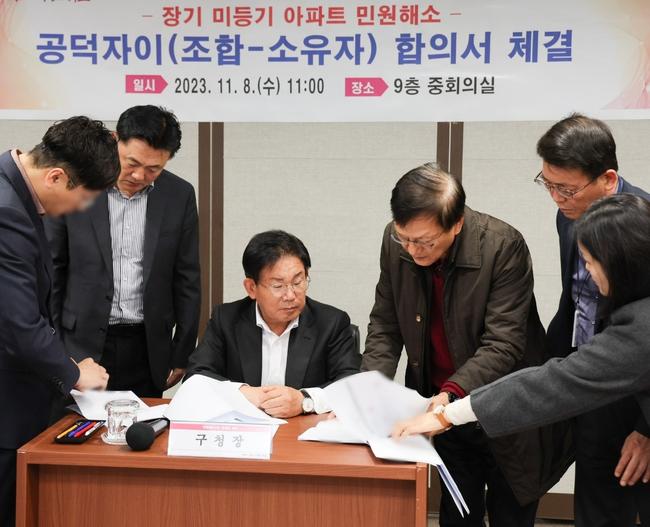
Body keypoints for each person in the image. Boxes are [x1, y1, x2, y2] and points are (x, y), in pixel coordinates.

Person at [393, 193, 650, 525]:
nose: (586, 272)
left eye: (589, 262)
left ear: (620, 263)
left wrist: (447, 415)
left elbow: (553, 384)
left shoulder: (640, 328)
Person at [361, 163, 567, 526]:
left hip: (505, 409)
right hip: (443, 410)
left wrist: (451, 394)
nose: (412, 249)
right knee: (456, 515)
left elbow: (504, 343)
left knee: (510, 513)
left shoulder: (502, 246)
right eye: (403, 238)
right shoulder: (396, 245)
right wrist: (367, 389)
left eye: (425, 241)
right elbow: (385, 324)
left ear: (456, 224)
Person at [0, 116, 116, 527]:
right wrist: (74, 373)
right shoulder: (7, 212)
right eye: (83, 199)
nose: (81, 210)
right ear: (55, 176)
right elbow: (19, 325)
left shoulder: (13, 192)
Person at [537, 114, 650, 526]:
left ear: (607, 178)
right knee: (595, 498)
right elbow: (575, 300)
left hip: (637, 392)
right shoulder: (568, 215)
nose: (556, 198)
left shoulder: (643, 224)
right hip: (589, 376)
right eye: (547, 184)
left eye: (566, 188)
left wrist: (647, 429)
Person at [45, 105, 200, 398]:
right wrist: (53, 345)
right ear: (116, 140)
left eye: (154, 169)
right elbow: (53, 270)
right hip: (79, 343)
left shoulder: (179, 195)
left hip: (147, 346)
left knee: (144, 424)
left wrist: (182, 351)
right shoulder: (78, 184)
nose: (139, 175)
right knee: (75, 424)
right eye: (132, 163)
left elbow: (187, 277)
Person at [185, 230, 360, 418]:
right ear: (251, 288)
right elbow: (196, 377)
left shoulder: (331, 323)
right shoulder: (226, 319)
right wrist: (243, 393)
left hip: (303, 431)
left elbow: (351, 384)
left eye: (298, 282)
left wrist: (304, 401)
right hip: (246, 429)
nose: (290, 295)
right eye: (278, 286)